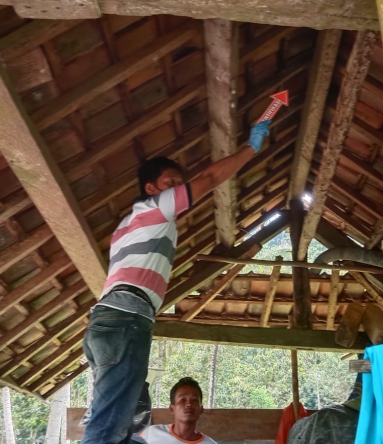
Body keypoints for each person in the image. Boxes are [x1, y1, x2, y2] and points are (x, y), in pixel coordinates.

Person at [81, 120, 272, 444]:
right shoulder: (154, 208)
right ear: (153, 188)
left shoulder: (126, 228)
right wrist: (251, 148)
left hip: (105, 323)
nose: (180, 189)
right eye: (172, 183)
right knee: (108, 428)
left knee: (123, 423)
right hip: (127, 319)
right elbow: (210, 178)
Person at [139, 377, 217, 444]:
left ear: (201, 409)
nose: (189, 404)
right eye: (183, 400)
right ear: (172, 409)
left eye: (194, 400)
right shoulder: (151, 433)